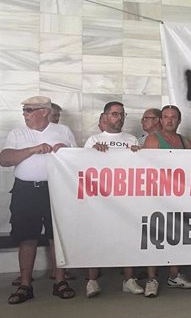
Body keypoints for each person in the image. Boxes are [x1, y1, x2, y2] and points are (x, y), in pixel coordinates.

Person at [1, 96, 78, 304]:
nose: (24, 114)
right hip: (26, 190)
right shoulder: (18, 133)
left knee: (57, 237)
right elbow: (4, 159)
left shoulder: (63, 132)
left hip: (56, 189)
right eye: (24, 110)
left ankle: (60, 281)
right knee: (26, 237)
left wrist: (67, 152)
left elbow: (78, 162)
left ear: (44, 111)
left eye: (29, 110)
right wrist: (33, 150)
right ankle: (25, 284)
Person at [83, 101, 143, 298]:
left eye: (122, 114)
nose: (119, 118)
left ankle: (128, 280)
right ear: (105, 116)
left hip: (126, 198)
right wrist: (93, 153)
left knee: (129, 238)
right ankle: (92, 281)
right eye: (115, 114)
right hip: (99, 199)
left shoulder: (131, 138)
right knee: (95, 238)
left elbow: (141, 167)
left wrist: (138, 154)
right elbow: (82, 166)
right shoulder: (94, 139)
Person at [142, 105, 191, 293]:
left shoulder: (185, 142)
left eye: (173, 117)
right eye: (165, 117)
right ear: (160, 120)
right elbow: (147, 169)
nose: (169, 120)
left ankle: (175, 275)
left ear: (179, 121)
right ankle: (151, 279)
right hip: (157, 195)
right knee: (154, 236)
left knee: (177, 235)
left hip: (179, 196)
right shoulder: (152, 140)